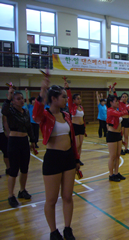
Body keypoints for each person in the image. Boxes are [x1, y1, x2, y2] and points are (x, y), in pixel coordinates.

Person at [33, 77, 80, 240]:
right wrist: (42, 92)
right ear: (53, 99)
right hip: (53, 158)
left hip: (68, 158)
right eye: (63, 97)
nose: (66, 99)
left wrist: (76, 159)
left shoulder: (66, 115)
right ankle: (54, 232)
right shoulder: (45, 116)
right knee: (51, 199)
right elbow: (35, 115)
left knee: (68, 196)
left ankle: (68, 228)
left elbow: (72, 139)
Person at [2, 87, 35, 208]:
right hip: (14, 142)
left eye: (22, 98)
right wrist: (9, 97)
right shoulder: (10, 111)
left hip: (24, 142)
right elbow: (4, 111)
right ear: (13, 101)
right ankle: (11, 195)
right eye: (18, 99)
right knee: (13, 170)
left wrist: (32, 141)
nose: (21, 100)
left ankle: (22, 190)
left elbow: (29, 127)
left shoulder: (25, 112)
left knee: (25, 169)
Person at [106, 94, 129, 182]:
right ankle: (111, 175)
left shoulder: (115, 110)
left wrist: (121, 137)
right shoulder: (110, 110)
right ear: (111, 102)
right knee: (112, 156)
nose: (117, 102)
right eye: (116, 101)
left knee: (118, 156)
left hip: (118, 135)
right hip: (112, 134)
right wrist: (126, 109)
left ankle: (116, 173)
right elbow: (120, 113)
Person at [65, 82, 86, 166]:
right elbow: (69, 97)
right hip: (75, 126)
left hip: (81, 127)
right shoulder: (71, 106)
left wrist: (85, 128)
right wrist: (68, 88)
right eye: (77, 98)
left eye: (80, 98)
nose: (79, 100)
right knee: (76, 144)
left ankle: (78, 159)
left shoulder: (81, 107)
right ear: (73, 100)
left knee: (80, 144)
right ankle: (73, 158)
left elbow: (83, 118)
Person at [0, 106, 10, 176]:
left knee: (6, 151)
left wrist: (8, 132)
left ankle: (8, 169)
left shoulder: (1, 109)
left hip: (1, 133)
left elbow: (4, 121)